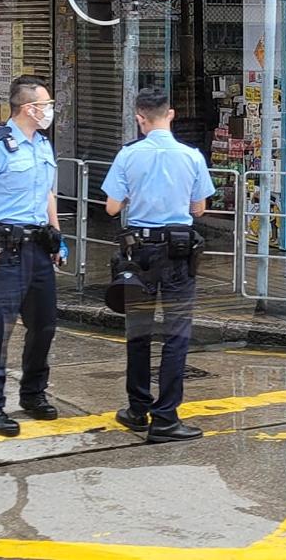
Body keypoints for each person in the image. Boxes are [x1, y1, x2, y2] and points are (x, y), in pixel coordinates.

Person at [103, 88, 214, 443]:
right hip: (179, 253)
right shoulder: (192, 156)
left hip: (140, 254)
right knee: (176, 336)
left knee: (138, 334)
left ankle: (137, 409)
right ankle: (165, 418)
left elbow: (111, 207)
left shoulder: (128, 155)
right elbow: (199, 209)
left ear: (140, 118)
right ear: (171, 114)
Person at [0, 76, 64, 437]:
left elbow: (47, 193)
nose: (50, 111)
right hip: (6, 250)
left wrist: (56, 237)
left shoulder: (41, 145)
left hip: (38, 248)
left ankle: (33, 394)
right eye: (47, 105)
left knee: (44, 326)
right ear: (29, 109)